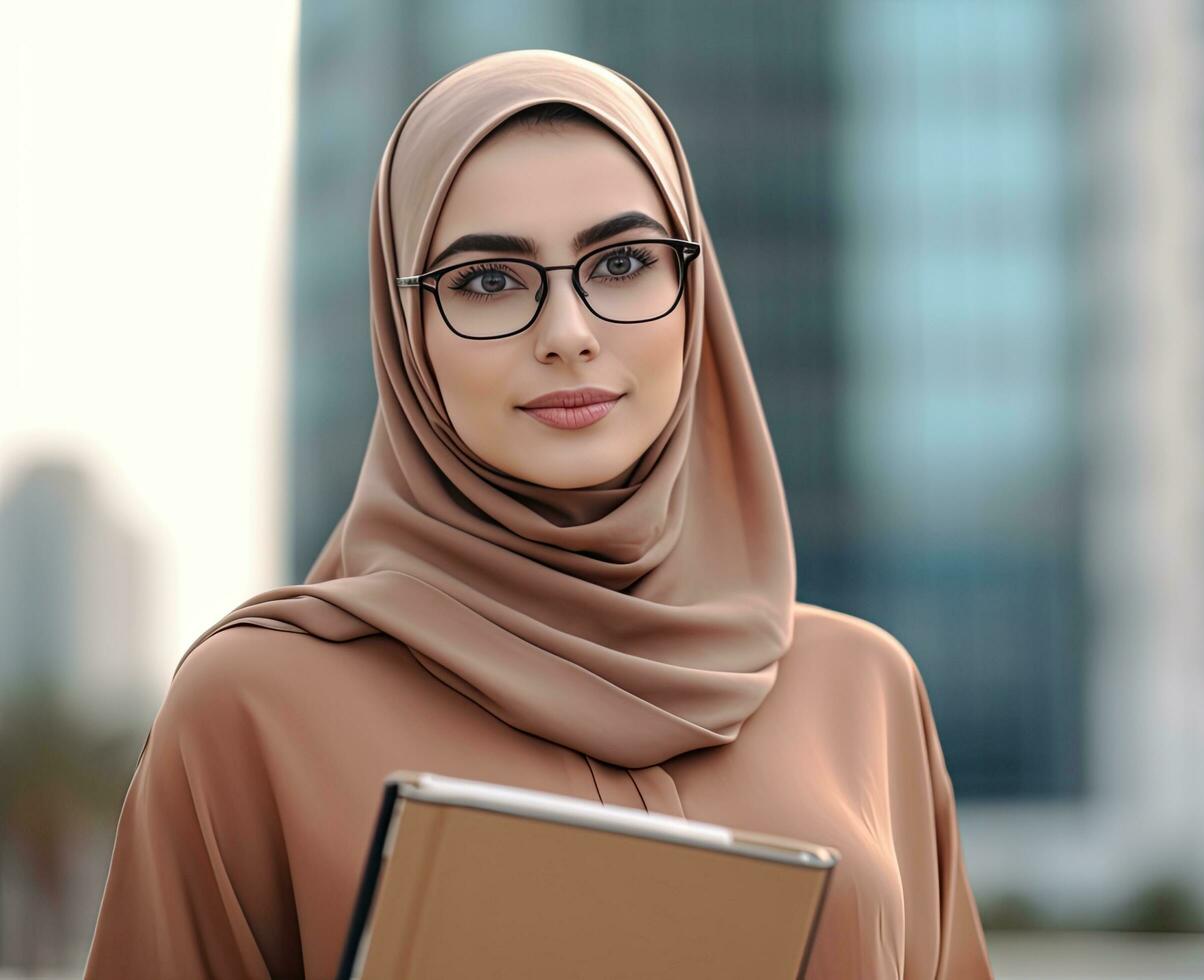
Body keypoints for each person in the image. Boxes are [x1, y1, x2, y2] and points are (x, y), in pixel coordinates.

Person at [82, 48, 994, 979]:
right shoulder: (255, 707)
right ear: (407, 334)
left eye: (627, 262)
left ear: (698, 297)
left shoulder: (863, 691)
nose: (568, 334)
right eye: (488, 281)